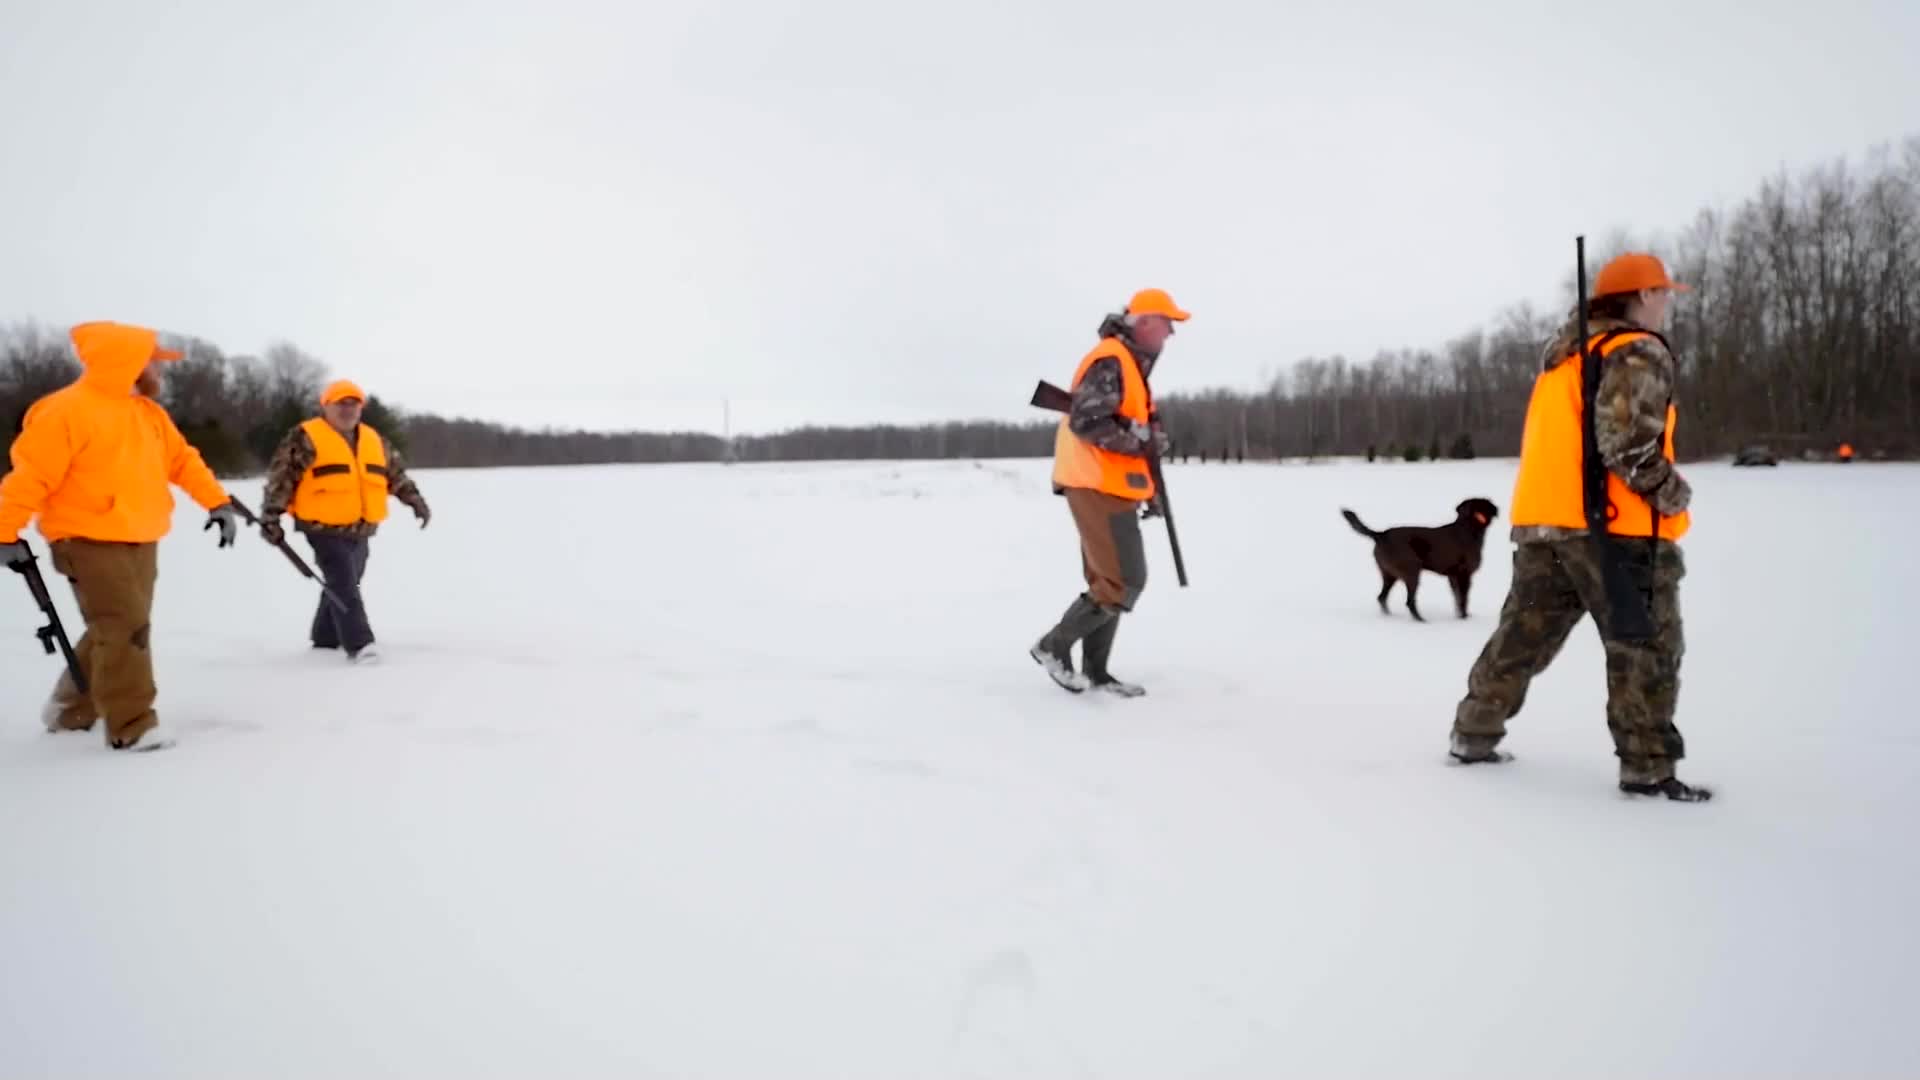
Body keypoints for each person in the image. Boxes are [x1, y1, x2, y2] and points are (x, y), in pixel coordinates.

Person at [1449, 252, 1710, 801]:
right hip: (1616, 529)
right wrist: (1672, 492)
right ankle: (1648, 768)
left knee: (1521, 639)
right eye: (1663, 294)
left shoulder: (1564, 358)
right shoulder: (1635, 350)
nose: (1667, 304)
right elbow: (1629, 445)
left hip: (1544, 523)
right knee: (1646, 646)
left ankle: (1473, 734)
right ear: (1641, 297)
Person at [0, 321, 242, 752]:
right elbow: (30, 477)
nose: (160, 372)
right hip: (86, 538)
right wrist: (4, 531)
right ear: (129, 362)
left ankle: (69, 708)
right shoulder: (65, 411)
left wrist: (217, 503)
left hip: (141, 535)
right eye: (154, 362)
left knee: (115, 629)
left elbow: (183, 462)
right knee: (126, 626)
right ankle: (132, 724)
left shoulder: (149, 415)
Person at [1029, 288, 1185, 696]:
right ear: (1146, 321)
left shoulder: (1129, 364)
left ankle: (1096, 673)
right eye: (1168, 324)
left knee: (1108, 582)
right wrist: (1140, 440)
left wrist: (1149, 446)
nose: (1170, 334)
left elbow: (1126, 426)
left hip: (1107, 484)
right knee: (1124, 580)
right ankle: (1053, 645)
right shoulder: (1112, 359)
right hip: (1094, 482)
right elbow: (1087, 422)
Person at [257, 379, 430, 663]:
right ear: (326, 406)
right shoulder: (305, 437)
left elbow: (396, 476)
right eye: (341, 404)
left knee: (345, 580)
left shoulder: (375, 441)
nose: (348, 410)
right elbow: (282, 477)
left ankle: (325, 637)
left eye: (354, 404)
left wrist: (416, 502)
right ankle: (361, 644)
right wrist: (271, 516)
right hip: (321, 526)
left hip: (361, 528)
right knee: (343, 581)